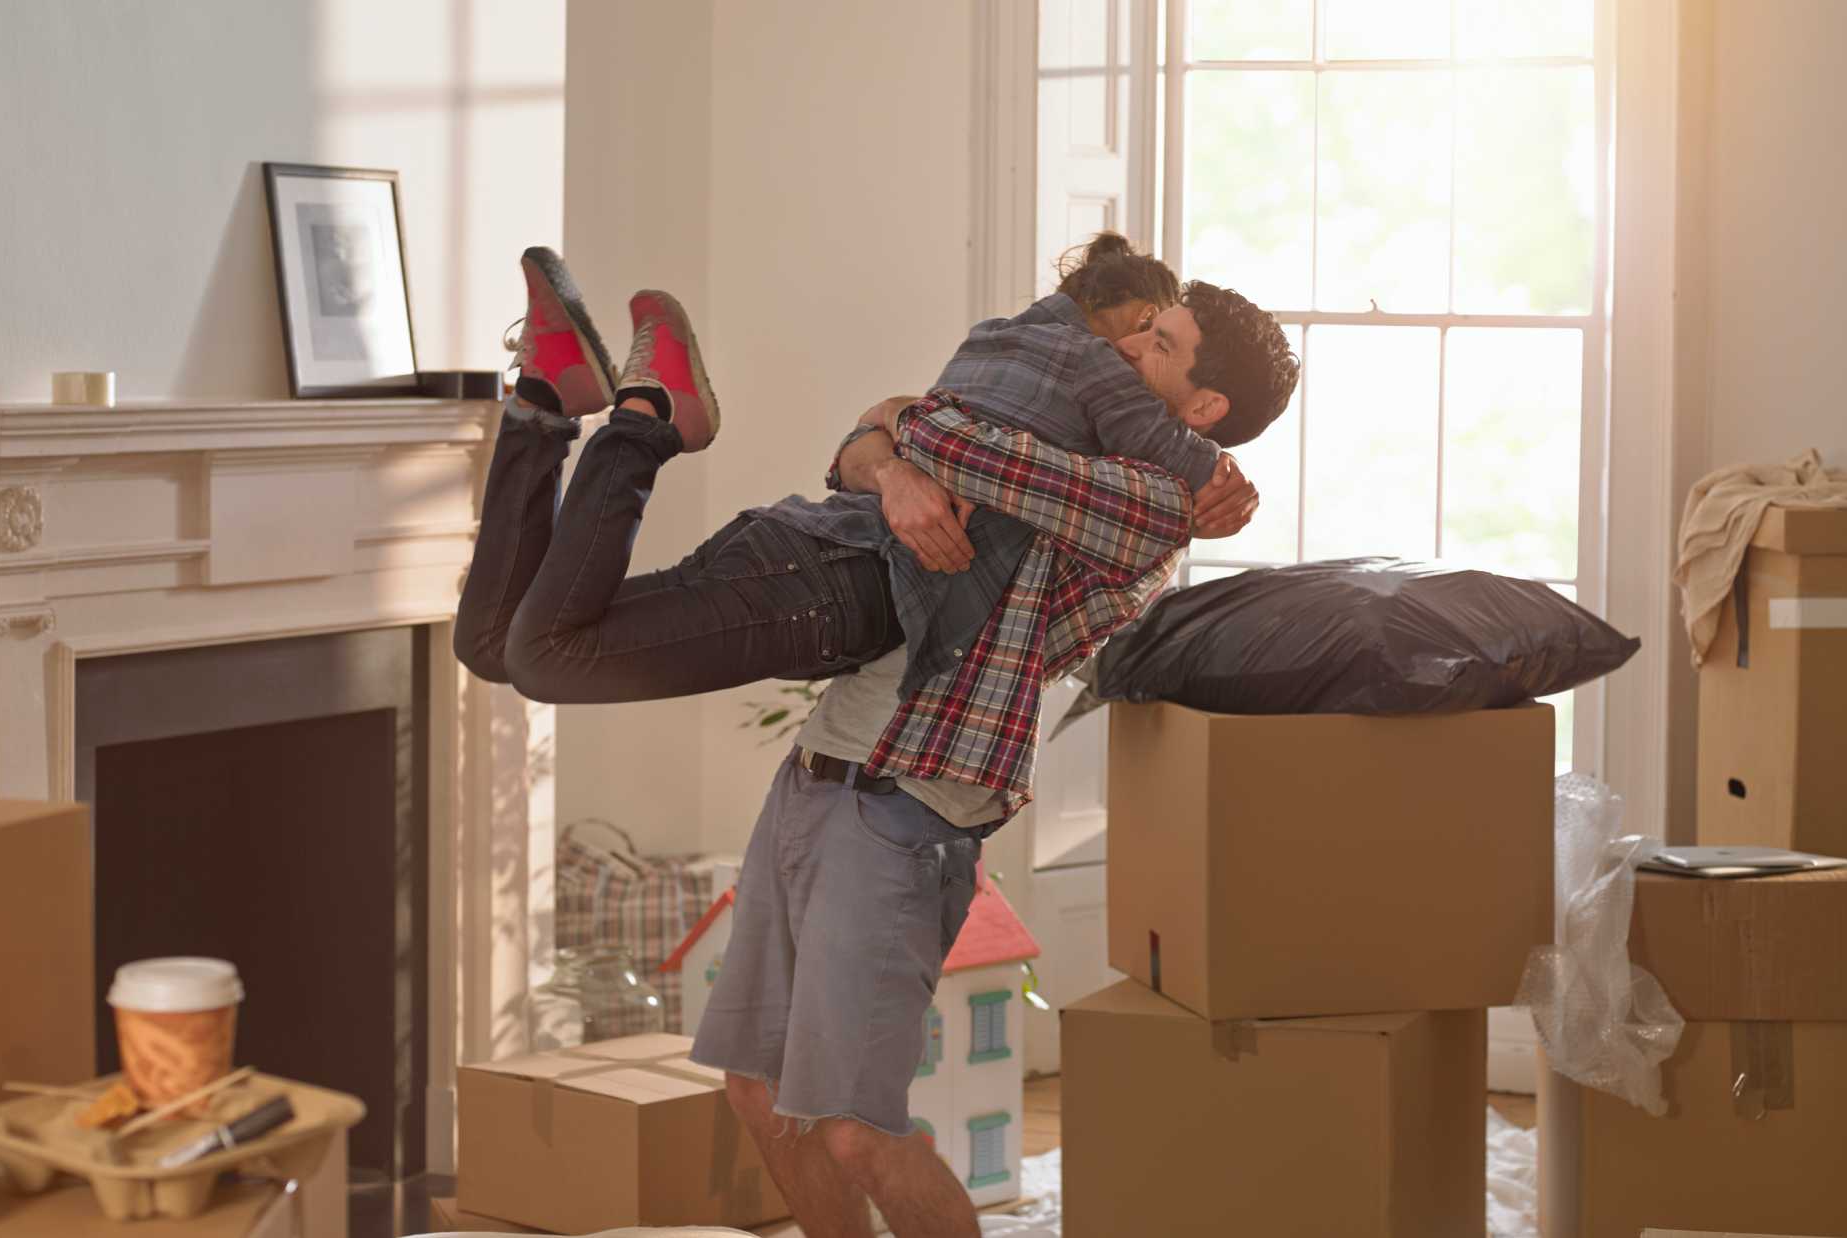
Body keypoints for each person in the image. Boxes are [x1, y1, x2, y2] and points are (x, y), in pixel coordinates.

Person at [453, 238, 1297, 1237]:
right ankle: (549, 402)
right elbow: (872, 446)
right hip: (816, 779)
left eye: (1158, 347)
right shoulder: (1074, 428)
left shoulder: (1151, 504)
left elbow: (943, 433)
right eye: (1141, 331)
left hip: (904, 812)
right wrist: (890, 461)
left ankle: (633, 413)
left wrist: (898, 441)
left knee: (858, 1131)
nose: (1121, 353)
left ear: (1202, 413)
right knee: (761, 1096)